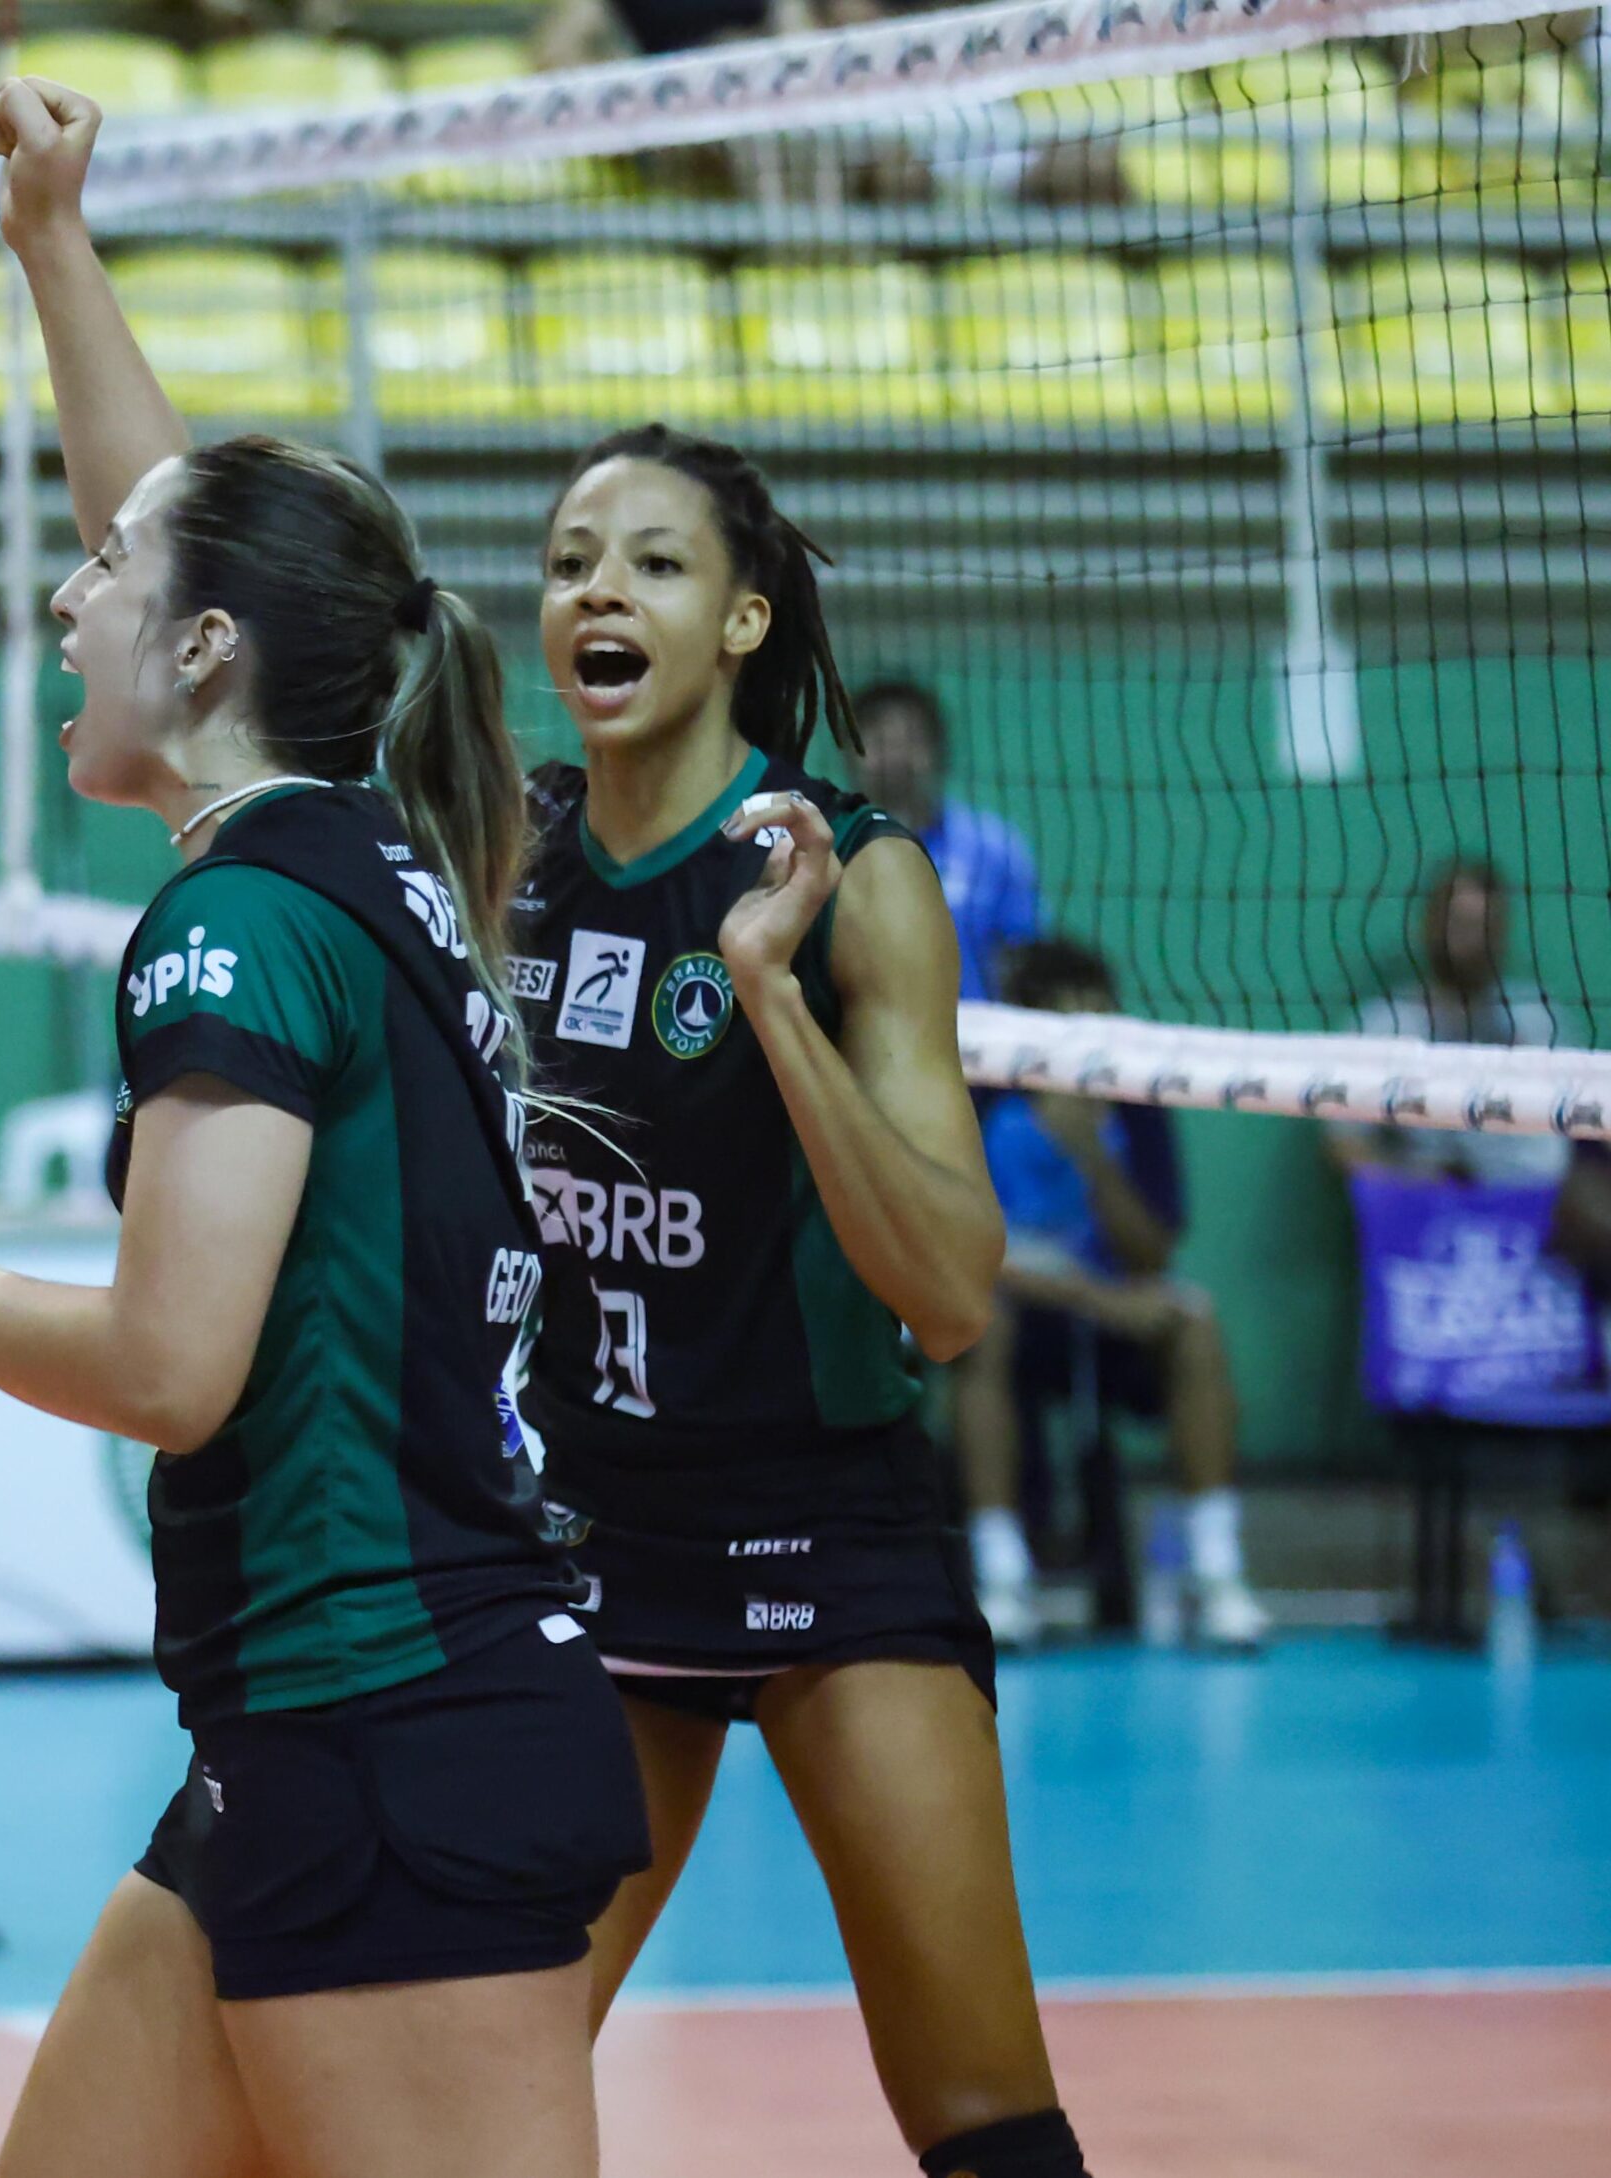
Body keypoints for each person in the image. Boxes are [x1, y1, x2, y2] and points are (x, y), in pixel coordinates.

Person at [0, 78, 647, 2178]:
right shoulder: (369, 843)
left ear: (200, 654)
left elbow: (176, 1371)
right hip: (310, 1730)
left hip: (392, 1719)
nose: (59, 599)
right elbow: (184, 548)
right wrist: (51, 250)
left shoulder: (238, 921)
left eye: (100, 580)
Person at [512, 425, 1094, 2178]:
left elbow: (951, 1293)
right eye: (567, 559)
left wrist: (770, 997)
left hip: (829, 1535)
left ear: (744, 619)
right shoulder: (507, 853)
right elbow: (224, 606)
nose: (597, 587)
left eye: (654, 562)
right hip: (592, 1545)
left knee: (987, 2117)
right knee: (471, 2085)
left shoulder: (858, 874)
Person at [949, 938, 1268, 1650]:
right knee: (983, 1327)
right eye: (1070, 1020)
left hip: (1101, 1317)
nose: (1090, 1038)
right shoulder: (977, 1088)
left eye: (1102, 1018)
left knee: (1194, 1322)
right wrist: (1095, 1299)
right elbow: (958, 1248)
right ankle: (1003, 1579)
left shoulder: (1133, 1098)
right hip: (1007, 1306)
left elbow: (1151, 1252)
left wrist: (1092, 1154)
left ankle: (1217, 1575)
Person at [1325, 854, 1568, 1187]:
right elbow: (1344, 1141)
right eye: (1456, 922)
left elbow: (1571, 1129)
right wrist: (1411, 1190)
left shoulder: (1535, 1016)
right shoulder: (1383, 1024)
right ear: (1428, 923)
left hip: (1525, 1200)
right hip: (1419, 1201)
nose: (1467, 939)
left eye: (1481, 925)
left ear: (1500, 932)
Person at [851, 677, 1042, 1003]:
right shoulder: (823, 844)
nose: (895, 755)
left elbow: (1023, 960)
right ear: (850, 752)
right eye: (880, 741)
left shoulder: (992, 848)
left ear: (936, 751)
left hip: (978, 1042)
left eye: (909, 740)